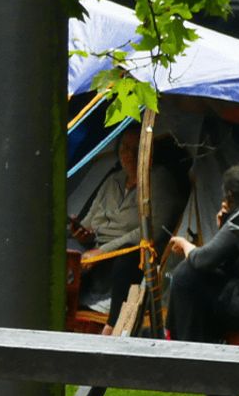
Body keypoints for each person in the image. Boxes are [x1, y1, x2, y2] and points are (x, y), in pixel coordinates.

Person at [71, 127, 185, 319]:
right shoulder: (113, 180)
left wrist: (103, 251)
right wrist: (82, 233)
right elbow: (90, 220)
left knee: (127, 257)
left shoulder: (159, 179)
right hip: (95, 247)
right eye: (124, 148)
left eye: (136, 149)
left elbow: (153, 230)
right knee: (65, 250)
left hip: (124, 253)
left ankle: (113, 321)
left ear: (148, 152)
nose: (129, 155)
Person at [166, 164, 239, 343]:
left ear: (230, 196)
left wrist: (186, 244)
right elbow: (228, 261)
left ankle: (185, 345)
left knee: (185, 275)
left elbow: (202, 260)